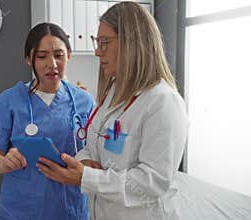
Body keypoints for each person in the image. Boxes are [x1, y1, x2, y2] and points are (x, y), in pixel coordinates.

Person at [37, 2, 251, 220]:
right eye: (97, 41)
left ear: (132, 43)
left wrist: (88, 177)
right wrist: (82, 163)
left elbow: (152, 183)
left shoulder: (163, 102)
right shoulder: (114, 92)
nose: (97, 51)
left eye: (104, 42)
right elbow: (93, 147)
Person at [0, 22, 94, 220]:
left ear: (69, 55)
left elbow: (95, 153)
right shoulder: (8, 101)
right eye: (42, 56)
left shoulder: (84, 101)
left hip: (71, 208)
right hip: (23, 209)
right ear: (28, 59)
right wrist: (5, 162)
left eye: (59, 55)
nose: (52, 64)